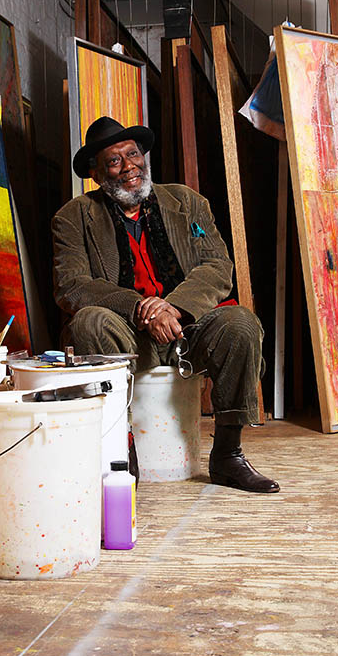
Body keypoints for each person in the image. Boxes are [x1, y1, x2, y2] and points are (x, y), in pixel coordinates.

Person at [51, 116, 279, 493]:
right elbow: (72, 286)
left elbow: (217, 266)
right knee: (89, 322)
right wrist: (141, 308)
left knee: (239, 322)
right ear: (96, 173)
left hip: (186, 328)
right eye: (114, 161)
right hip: (128, 336)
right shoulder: (73, 218)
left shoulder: (186, 202)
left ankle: (228, 453)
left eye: (133, 154)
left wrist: (172, 307)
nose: (129, 167)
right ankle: (120, 455)